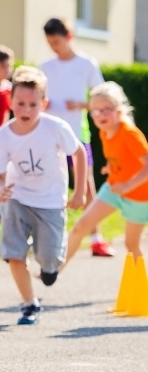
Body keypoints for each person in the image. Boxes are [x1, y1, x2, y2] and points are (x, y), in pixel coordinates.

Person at [0, 66, 87, 325]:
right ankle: (29, 303)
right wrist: (0, 190)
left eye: (33, 105)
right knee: (13, 252)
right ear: (11, 102)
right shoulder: (3, 135)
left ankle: (49, 266)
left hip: (51, 201)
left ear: (43, 104)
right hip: (17, 199)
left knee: (49, 261)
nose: (25, 110)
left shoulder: (55, 127)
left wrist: (79, 192)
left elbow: (78, 153)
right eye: (20, 103)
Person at [40, 17, 114, 257]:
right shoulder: (46, 67)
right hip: (50, 133)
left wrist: (82, 104)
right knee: (47, 180)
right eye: (50, 43)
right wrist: (43, 103)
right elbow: (36, 97)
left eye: (57, 42)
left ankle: (96, 238)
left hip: (77, 133)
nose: (54, 47)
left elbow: (102, 96)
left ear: (69, 37)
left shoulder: (86, 64)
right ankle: (45, 235)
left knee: (87, 184)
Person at [63, 82, 148, 269]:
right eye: (95, 110)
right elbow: (122, 158)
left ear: (119, 110)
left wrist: (127, 185)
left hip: (139, 196)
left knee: (131, 244)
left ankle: (142, 289)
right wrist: (112, 168)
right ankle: (53, 272)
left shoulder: (130, 134)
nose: (100, 115)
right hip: (113, 188)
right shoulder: (104, 131)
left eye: (106, 109)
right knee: (80, 227)